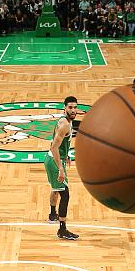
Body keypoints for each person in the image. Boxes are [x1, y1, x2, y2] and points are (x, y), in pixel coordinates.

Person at [46, 96, 79, 240]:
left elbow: (57, 143)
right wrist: (60, 168)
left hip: (55, 159)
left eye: (75, 107)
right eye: (70, 107)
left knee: (56, 188)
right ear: (64, 108)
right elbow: (54, 148)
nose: (73, 110)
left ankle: (53, 215)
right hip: (54, 161)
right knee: (65, 195)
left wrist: (66, 155)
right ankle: (62, 229)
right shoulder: (64, 124)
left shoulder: (66, 121)